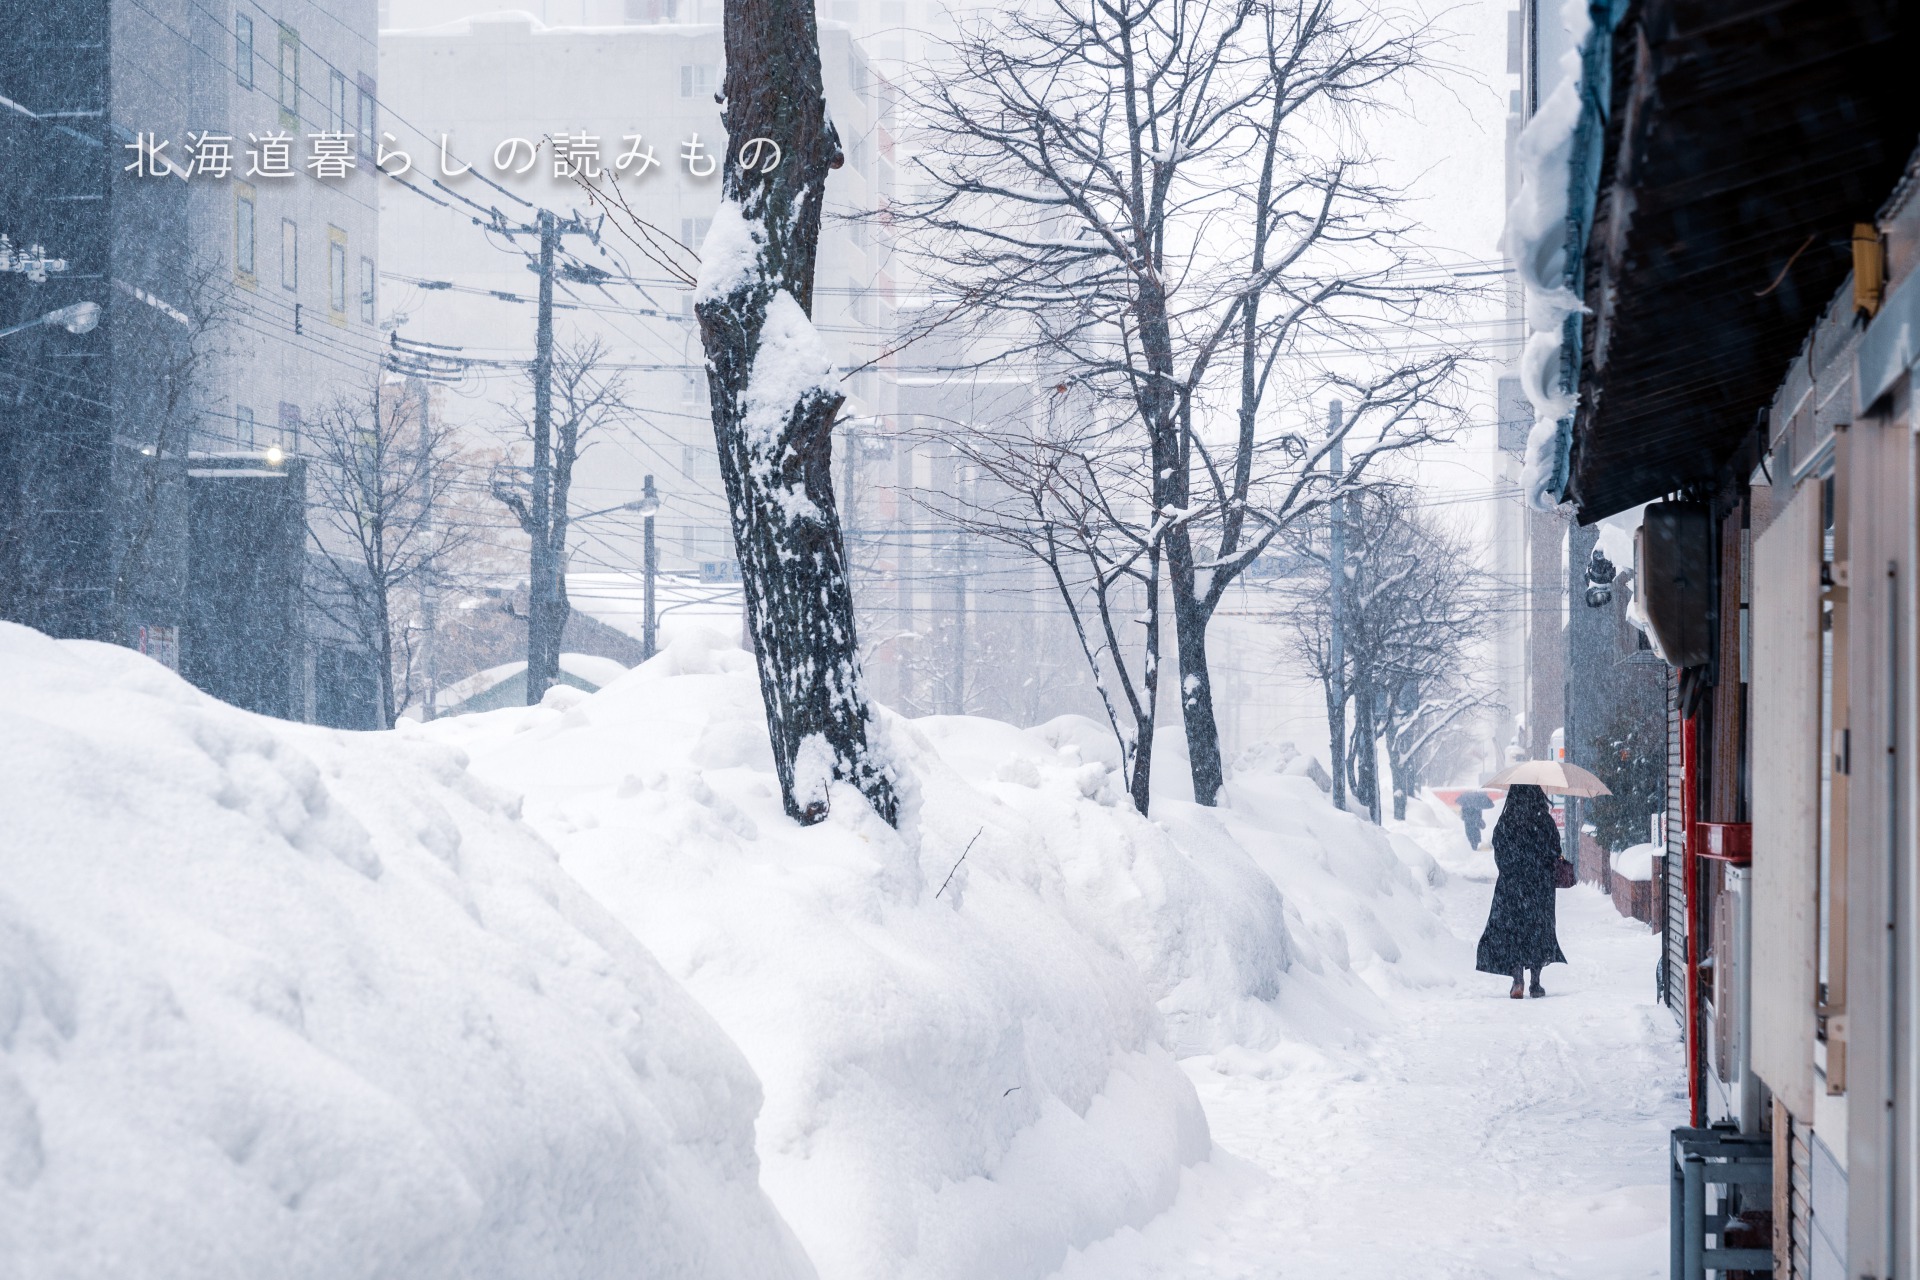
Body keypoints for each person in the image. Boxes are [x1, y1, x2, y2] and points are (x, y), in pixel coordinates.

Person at [1474, 784, 1567, 998]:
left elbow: (1499, 853)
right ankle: (1536, 983)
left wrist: (1513, 870)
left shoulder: (1506, 821)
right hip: (1539, 887)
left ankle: (1517, 980)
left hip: (1511, 887)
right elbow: (1556, 850)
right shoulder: (1544, 821)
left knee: (1513, 931)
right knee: (1537, 930)